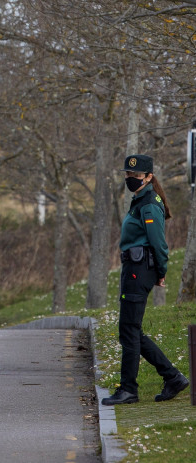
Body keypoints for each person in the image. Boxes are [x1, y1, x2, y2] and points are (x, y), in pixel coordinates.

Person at [101, 154, 190, 405]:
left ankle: (129, 389)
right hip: (135, 267)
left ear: (148, 177)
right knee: (131, 330)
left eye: (135, 176)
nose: (130, 179)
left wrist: (161, 272)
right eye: (128, 175)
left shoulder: (149, 203)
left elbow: (159, 243)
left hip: (139, 269)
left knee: (128, 330)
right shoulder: (140, 199)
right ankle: (172, 377)